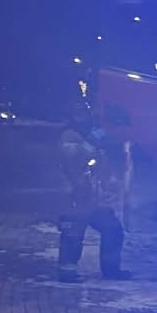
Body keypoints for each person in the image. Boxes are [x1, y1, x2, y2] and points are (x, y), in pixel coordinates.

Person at [57, 102, 132, 282]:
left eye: (84, 113)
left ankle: (112, 270)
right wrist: (91, 142)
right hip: (76, 198)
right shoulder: (68, 136)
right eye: (78, 114)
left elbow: (101, 164)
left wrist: (110, 182)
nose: (83, 117)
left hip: (95, 199)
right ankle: (67, 273)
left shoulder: (92, 136)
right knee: (72, 235)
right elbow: (74, 158)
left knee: (113, 230)